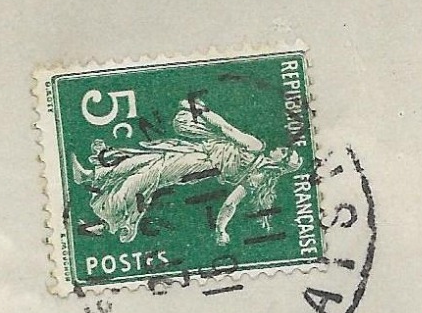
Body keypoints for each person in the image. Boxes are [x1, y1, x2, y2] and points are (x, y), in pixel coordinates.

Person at [69, 97, 303, 248]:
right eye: (284, 149)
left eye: (283, 153)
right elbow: (231, 204)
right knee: (148, 161)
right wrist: (221, 229)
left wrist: (202, 110)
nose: (280, 148)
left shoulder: (256, 147)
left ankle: (107, 215)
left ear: (280, 162)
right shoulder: (258, 176)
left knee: (148, 173)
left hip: (198, 160)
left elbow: (226, 128)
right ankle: (93, 177)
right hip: (196, 158)